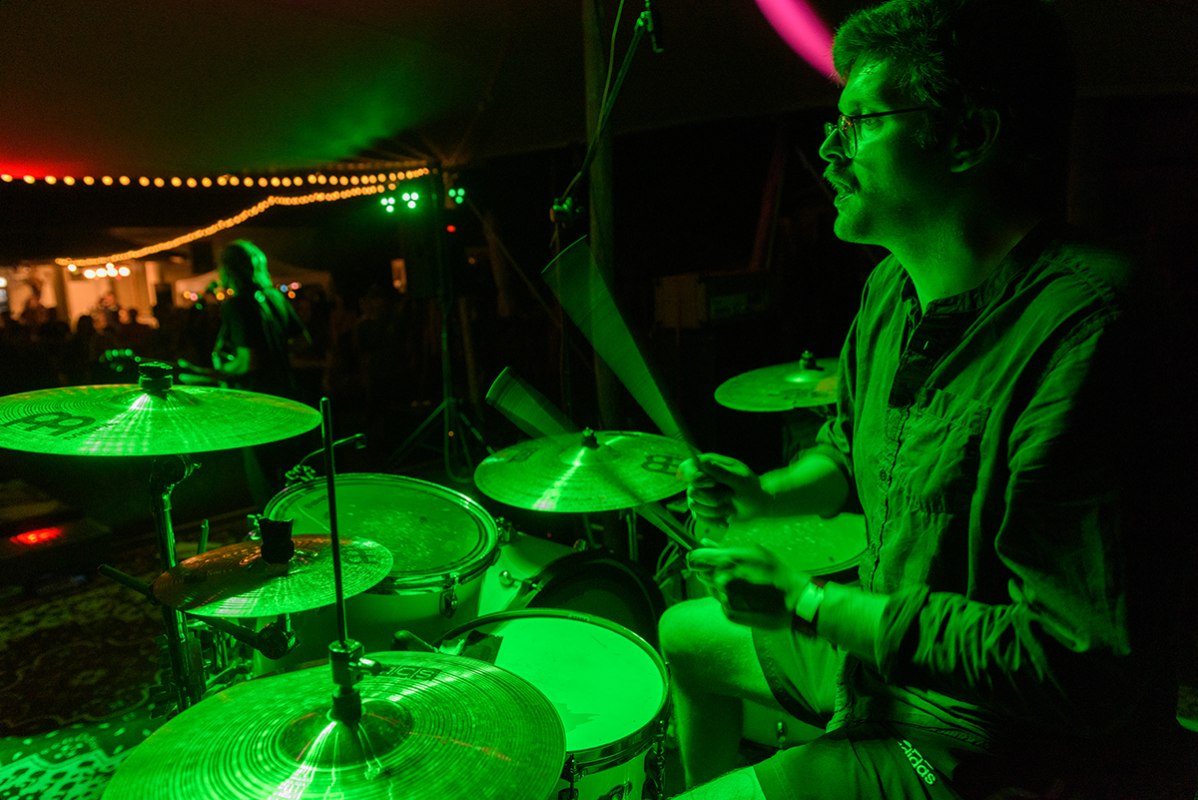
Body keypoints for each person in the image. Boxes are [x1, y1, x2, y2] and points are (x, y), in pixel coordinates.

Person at [660, 1, 1192, 798]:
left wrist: (808, 602)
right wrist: (764, 495)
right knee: (682, 631)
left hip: (988, 742)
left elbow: (1076, 665)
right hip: (883, 668)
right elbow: (851, 443)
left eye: (863, 122)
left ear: (969, 137)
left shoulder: (1091, 334)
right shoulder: (890, 288)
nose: (830, 152)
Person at [180, 239, 309, 397]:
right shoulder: (276, 297)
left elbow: (248, 362)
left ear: (228, 269)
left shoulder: (237, 304)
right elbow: (303, 341)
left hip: (255, 395)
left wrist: (209, 373)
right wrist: (275, 353)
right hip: (285, 389)